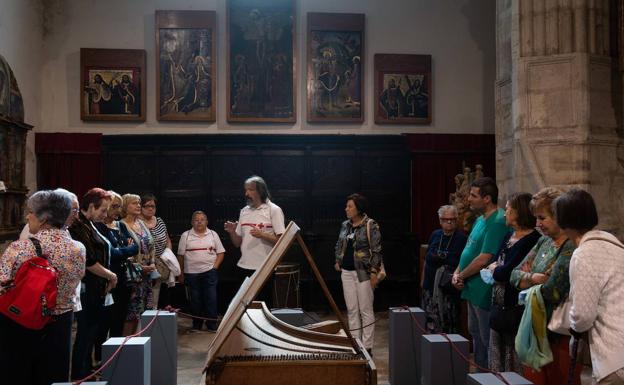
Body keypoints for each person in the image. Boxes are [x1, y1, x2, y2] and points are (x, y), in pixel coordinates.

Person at [0, 190, 86, 385]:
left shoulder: (20, 248)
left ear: (44, 218)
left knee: (19, 375)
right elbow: (76, 281)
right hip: (61, 325)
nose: (27, 215)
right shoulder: (78, 248)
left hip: (21, 323)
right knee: (55, 377)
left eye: (30, 211)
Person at [510, 187, 580, 385]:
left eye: (542, 218)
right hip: (535, 327)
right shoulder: (544, 242)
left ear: (559, 217)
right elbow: (514, 275)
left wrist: (528, 279)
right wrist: (534, 277)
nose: (537, 224)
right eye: (536, 218)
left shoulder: (571, 246)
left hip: (559, 333)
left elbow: (552, 290)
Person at [554, 189, 624, 385]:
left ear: (562, 221)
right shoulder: (616, 246)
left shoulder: (584, 254)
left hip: (615, 355)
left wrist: (572, 326)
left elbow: (583, 315)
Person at [453, 177, 510, 370]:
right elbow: (470, 250)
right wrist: (457, 272)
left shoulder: (498, 221)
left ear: (487, 198)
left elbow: (485, 257)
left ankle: (489, 376)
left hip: (483, 288)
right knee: (475, 334)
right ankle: (479, 375)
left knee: (486, 339)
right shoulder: (479, 219)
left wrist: (462, 275)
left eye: (473, 195)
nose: (468, 199)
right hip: (470, 286)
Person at [486, 193, 540, 373]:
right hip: (498, 304)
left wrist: (497, 269)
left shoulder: (532, 240)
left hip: (515, 308)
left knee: (513, 356)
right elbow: (494, 263)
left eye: (508, 208)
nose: (504, 213)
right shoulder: (508, 235)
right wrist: (497, 269)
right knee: (496, 354)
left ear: (519, 212)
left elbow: (505, 272)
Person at [69, 188, 116, 380]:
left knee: (91, 332)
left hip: (96, 288)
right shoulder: (77, 227)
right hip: (87, 288)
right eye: (103, 210)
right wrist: (111, 275)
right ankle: (80, 373)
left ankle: (86, 370)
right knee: (85, 332)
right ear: (90, 206)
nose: (105, 215)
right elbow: (88, 261)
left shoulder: (88, 223)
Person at [334, 193, 383, 355]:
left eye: (350, 206)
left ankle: (367, 347)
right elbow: (339, 244)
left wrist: (374, 272)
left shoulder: (370, 225)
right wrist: (338, 260)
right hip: (346, 272)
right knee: (352, 309)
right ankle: (355, 344)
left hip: (363, 271)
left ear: (358, 208)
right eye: (346, 206)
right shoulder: (345, 225)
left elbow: (376, 251)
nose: (346, 209)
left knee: (366, 309)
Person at [224, 175, 285, 280]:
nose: (246, 193)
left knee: (264, 297)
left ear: (261, 191)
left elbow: (282, 241)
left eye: (250, 190)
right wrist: (232, 232)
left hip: (265, 268)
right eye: (245, 190)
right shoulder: (244, 211)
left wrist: (262, 235)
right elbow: (237, 243)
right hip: (244, 266)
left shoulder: (274, 210)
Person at [95, 191, 138, 338]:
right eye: (114, 206)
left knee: (119, 319)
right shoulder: (98, 227)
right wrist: (126, 249)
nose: (118, 211)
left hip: (123, 279)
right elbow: (112, 253)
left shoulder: (120, 225)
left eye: (119, 207)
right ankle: (101, 356)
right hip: (107, 279)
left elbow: (135, 247)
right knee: (104, 321)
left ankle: (116, 354)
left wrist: (123, 250)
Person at [421, 205, 467, 333]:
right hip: (430, 286)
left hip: (449, 288)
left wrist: (439, 256)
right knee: (430, 321)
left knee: (450, 322)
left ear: (457, 220)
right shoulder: (435, 234)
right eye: (446, 219)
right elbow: (428, 257)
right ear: (440, 220)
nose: (449, 222)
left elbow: (456, 261)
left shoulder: (461, 237)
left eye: (452, 219)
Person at [178, 211, 225, 332]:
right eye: (196, 220)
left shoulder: (213, 234)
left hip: (209, 272)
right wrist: (181, 273)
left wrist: (215, 267)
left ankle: (212, 325)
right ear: (192, 222)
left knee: (211, 298)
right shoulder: (186, 235)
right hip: (191, 273)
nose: (199, 222)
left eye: (202, 219)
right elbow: (181, 256)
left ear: (207, 222)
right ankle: (196, 325)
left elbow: (221, 253)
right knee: (195, 299)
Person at [121, 193, 155, 336]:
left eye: (139, 202)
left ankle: (135, 344)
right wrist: (140, 267)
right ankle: (124, 345)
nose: (138, 205)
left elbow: (151, 245)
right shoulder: (121, 225)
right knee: (131, 313)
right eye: (134, 203)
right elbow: (125, 253)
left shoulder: (140, 223)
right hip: (133, 276)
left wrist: (152, 262)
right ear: (125, 206)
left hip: (146, 276)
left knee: (142, 312)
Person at [140, 193, 172, 308]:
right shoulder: (137, 223)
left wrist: (168, 254)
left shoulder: (159, 221)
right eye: (147, 206)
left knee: (159, 295)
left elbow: (167, 239)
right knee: (147, 296)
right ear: (141, 207)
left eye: (152, 206)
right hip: (146, 264)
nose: (150, 208)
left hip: (162, 262)